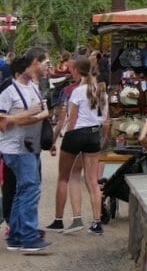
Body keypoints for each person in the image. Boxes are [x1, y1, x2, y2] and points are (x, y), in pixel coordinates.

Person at [0, 47, 52, 253]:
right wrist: (30, 115)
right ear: (34, 63)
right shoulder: (8, 89)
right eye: (45, 62)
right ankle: (29, 237)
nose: (47, 67)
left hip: (31, 147)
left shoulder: (33, 86)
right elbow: (2, 122)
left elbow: (37, 113)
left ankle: (15, 236)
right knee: (30, 190)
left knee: (24, 191)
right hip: (17, 149)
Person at [46, 57, 107, 235]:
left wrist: (60, 139)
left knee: (64, 177)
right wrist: (102, 139)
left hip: (76, 134)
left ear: (77, 71)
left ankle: (59, 220)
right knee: (92, 181)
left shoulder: (77, 91)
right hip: (94, 135)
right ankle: (96, 222)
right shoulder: (101, 91)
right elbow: (105, 121)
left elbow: (71, 120)